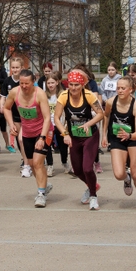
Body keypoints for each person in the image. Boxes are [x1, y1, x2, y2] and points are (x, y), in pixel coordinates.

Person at [56, 69, 105, 210]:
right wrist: (65, 134)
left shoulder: (89, 95)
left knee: (87, 168)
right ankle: (92, 185)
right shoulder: (63, 96)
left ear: (82, 85)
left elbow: (100, 114)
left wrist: (89, 123)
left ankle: (93, 196)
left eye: (77, 85)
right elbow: (57, 118)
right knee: (77, 170)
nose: (73, 88)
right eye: (71, 84)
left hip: (90, 136)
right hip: (74, 136)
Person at [4, 69, 54, 207]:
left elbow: (47, 118)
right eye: (21, 83)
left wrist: (42, 138)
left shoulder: (40, 94)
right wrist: (11, 124)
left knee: (38, 162)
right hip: (27, 133)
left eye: (27, 83)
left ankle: (41, 195)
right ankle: (44, 184)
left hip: (44, 131)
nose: (24, 86)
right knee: (32, 165)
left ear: (33, 82)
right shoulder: (14, 92)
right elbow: (6, 108)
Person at [103, 75, 136, 207]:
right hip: (117, 138)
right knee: (118, 174)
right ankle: (126, 178)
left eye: (123, 88)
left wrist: (129, 135)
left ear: (131, 90)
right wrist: (104, 135)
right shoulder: (111, 102)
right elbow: (106, 116)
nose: (120, 90)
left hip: (134, 138)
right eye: (118, 88)